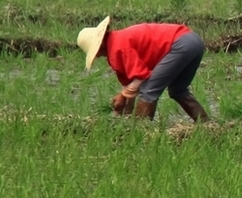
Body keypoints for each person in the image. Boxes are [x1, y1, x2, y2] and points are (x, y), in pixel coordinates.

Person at [77, 16, 210, 122]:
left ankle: (142, 132)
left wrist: (123, 95)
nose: (99, 56)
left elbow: (141, 77)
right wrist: (122, 112)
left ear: (99, 47)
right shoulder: (119, 39)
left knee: (149, 90)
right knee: (178, 90)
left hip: (180, 45)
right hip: (193, 41)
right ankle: (206, 124)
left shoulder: (118, 47)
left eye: (96, 53)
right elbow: (133, 84)